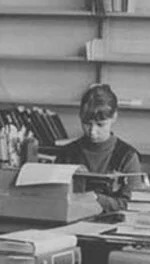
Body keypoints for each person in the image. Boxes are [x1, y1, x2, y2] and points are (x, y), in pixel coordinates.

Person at [56, 84, 143, 212]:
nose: (92, 131)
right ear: (80, 116)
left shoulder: (127, 156)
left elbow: (134, 204)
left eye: (100, 125)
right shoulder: (66, 153)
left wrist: (97, 199)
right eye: (87, 124)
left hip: (113, 224)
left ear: (114, 117)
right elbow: (53, 197)